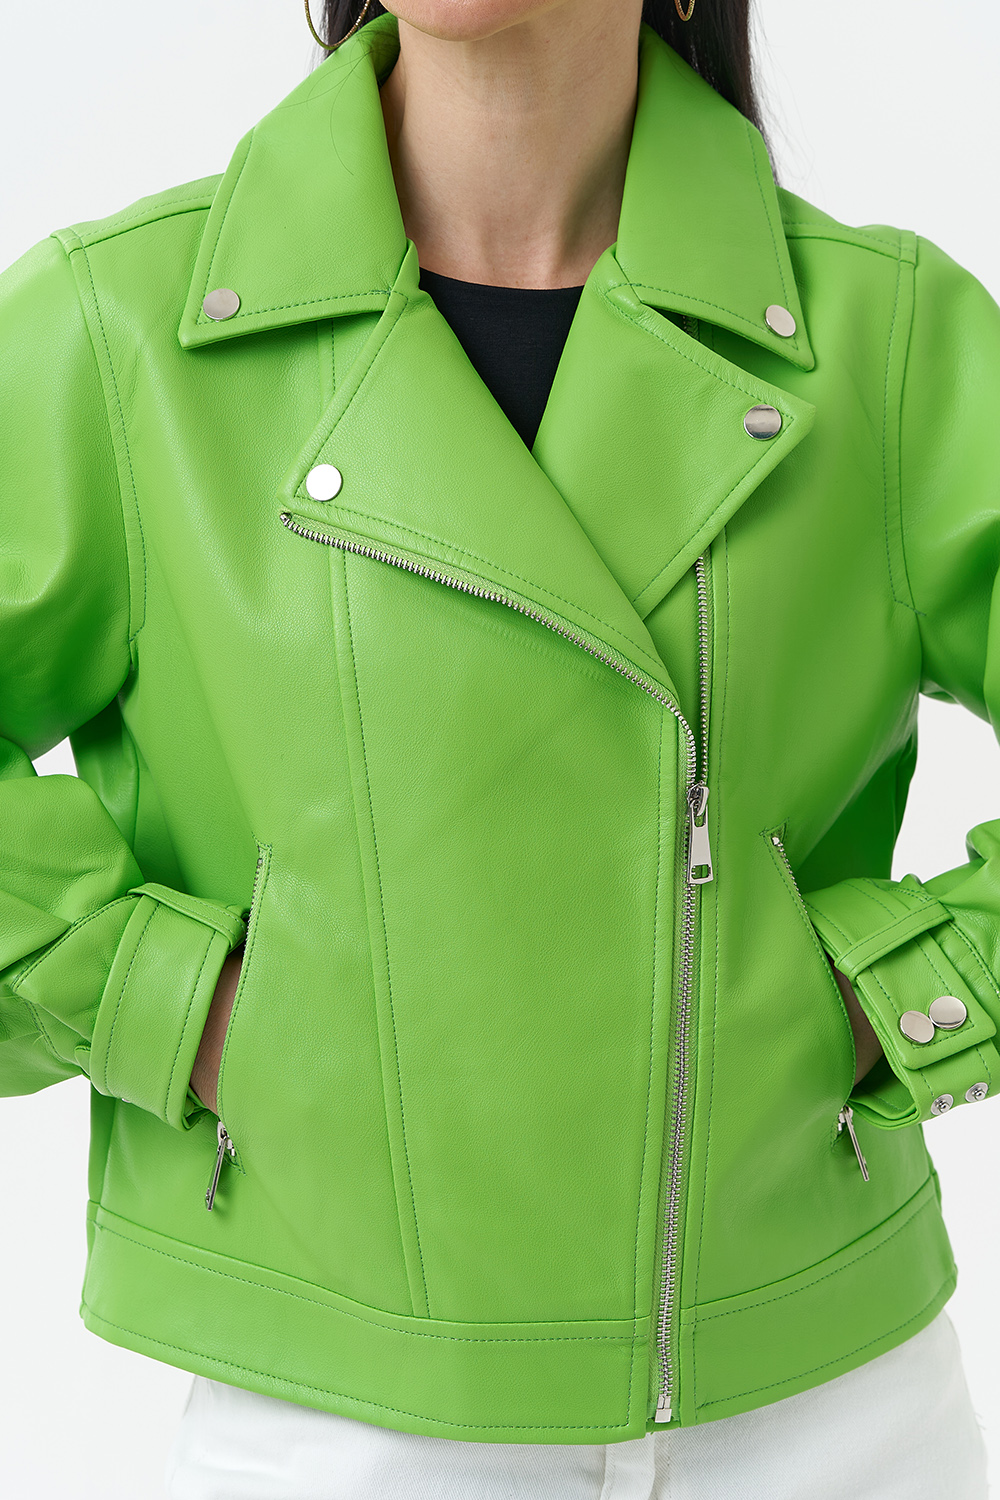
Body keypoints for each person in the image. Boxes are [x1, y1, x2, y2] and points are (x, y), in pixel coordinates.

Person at [0, 0, 995, 1493]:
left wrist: (894, 1000)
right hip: (344, 1416)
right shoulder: (118, 330)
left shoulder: (888, 339)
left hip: (826, 1411)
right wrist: (179, 1007)